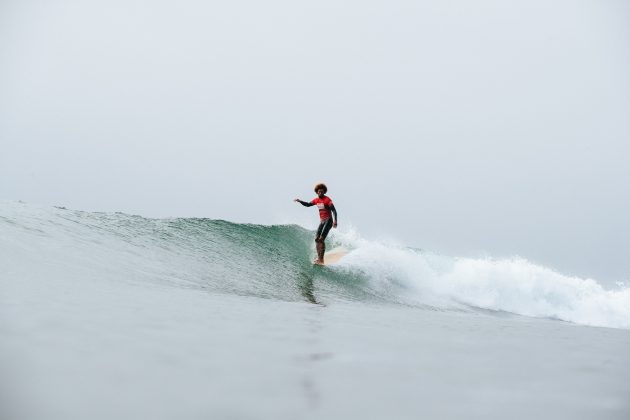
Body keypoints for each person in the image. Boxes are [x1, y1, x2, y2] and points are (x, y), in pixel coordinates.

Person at [294, 183, 338, 265]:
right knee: (316, 239)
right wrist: (300, 201)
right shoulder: (316, 200)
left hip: (329, 220)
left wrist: (335, 221)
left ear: (324, 192)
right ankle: (319, 258)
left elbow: (334, 210)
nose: (320, 193)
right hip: (322, 221)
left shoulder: (328, 200)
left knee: (321, 239)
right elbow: (308, 204)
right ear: (316, 192)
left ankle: (321, 260)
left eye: (322, 191)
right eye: (319, 192)